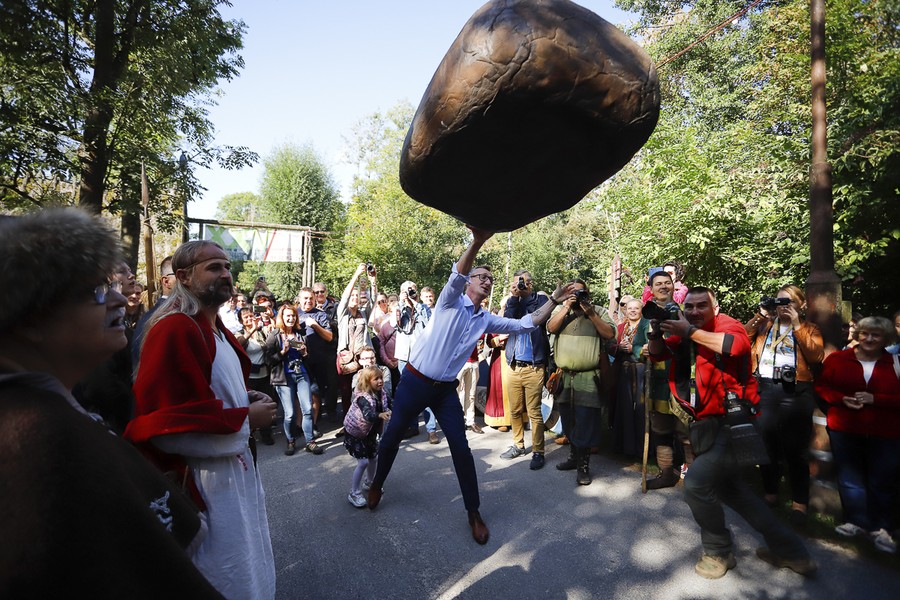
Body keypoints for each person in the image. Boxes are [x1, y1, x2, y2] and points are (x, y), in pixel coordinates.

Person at [0, 208, 224, 598]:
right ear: (30, 314)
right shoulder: (32, 442)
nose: (120, 298)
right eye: (94, 291)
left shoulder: (49, 416)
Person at [366, 226, 575, 545]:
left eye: (490, 278)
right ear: (468, 282)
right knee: (392, 435)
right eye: (481, 275)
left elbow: (527, 323)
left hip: (444, 389)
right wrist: (477, 241)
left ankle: (473, 512)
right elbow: (458, 272)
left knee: (462, 450)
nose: (486, 280)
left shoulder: (485, 319)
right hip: (415, 382)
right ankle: (378, 483)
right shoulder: (450, 300)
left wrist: (556, 301)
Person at [125, 240, 278, 600]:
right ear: (183, 276)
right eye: (214, 268)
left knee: (247, 566)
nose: (225, 274)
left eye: (226, 266)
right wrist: (245, 419)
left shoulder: (213, 329)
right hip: (205, 483)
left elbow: (209, 395)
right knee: (222, 578)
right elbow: (165, 427)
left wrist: (244, 399)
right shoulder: (174, 329)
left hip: (233, 475)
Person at [648, 286, 815, 579]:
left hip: (734, 421)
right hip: (706, 422)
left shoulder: (727, 324)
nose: (695, 311)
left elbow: (735, 347)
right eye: (690, 306)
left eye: (702, 306)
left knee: (697, 484)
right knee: (734, 491)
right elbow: (657, 355)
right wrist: (655, 333)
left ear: (715, 306)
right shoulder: (689, 328)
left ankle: (718, 551)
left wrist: (688, 331)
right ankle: (792, 553)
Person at [815, 316, 900, 554]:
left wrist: (877, 399)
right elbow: (822, 387)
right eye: (865, 333)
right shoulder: (838, 360)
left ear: (885, 338)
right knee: (850, 478)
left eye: (876, 335)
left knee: (882, 480)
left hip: (886, 432)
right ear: (857, 334)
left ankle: (883, 528)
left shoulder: (895, 362)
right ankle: (856, 521)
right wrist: (840, 399)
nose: (869, 339)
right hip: (845, 427)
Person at [745, 284, 824, 525]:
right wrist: (760, 314)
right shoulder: (766, 326)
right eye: (779, 302)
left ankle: (800, 503)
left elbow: (815, 356)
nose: (783, 307)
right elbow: (742, 336)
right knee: (766, 442)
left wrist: (797, 324)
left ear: (801, 304)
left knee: (795, 447)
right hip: (766, 388)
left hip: (796, 391)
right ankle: (770, 494)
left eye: (788, 302)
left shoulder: (809, 328)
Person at [546, 280, 616, 484]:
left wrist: (591, 313)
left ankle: (583, 466)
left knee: (586, 422)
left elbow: (610, 334)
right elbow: (551, 327)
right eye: (572, 292)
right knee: (568, 419)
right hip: (564, 376)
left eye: (580, 292)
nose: (576, 295)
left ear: (588, 293)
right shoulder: (561, 309)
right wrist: (566, 306)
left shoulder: (599, 311)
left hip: (588, 377)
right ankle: (573, 458)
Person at [644, 269, 692, 489]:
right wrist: (641, 350)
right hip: (656, 382)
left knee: (686, 431)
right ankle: (666, 473)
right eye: (658, 284)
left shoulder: (686, 313)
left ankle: (692, 475)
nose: (663, 286)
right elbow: (636, 345)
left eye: (667, 283)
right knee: (661, 430)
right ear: (651, 289)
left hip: (681, 380)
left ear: (674, 286)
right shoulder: (647, 315)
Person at [500, 269, 553, 470]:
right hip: (514, 366)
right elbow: (508, 321)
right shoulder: (513, 302)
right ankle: (518, 445)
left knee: (534, 412)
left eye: (524, 282)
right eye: (517, 283)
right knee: (514, 410)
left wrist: (528, 296)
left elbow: (538, 318)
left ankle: (538, 451)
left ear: (531, 283)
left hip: (534, 367)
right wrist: (514, 298)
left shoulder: (540, 300)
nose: (521, 285)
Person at [266, 303, 322, 456]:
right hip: (283, 378)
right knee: (290, 413)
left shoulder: (300, 333)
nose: (290, 318)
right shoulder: (274, 335)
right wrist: (283, 351)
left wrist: (304, 352)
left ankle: (310, 441)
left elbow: (308, 357)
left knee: (308, 409)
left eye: (293, 316)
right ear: (282, 318)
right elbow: (268, 360)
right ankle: (291, 440)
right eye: (287, 316)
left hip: (301, 374)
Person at [394, 279, 438, 442]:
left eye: (413, 290)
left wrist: (415, 304)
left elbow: (429, 326)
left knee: (426, 393)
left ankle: (431, 429)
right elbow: (394, 323)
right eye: (407, 290)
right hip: (404, 357)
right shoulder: (399, 307)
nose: (411, 293)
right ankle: (412, 426)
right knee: (408, 393)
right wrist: (401, 302)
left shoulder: (425, 308)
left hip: (422, 356)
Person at [344, 366, 393, 508]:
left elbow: (391, 403)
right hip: (356, 433)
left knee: (374, 458)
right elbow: (368, 415)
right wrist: (380, 415)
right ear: (367, 381)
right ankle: (354, 492)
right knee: (363, 462)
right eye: (376, 379)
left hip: (369, 432)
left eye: (381, 378)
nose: (380, 381)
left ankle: (369, 482)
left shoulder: (382, 393)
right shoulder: (362, 398)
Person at [336, 264, 376, 418]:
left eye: (356, 296)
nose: (354, 298)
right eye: (352, 296)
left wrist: (373, 280)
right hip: (347, 359)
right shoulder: (342, 314)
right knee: (347, 392)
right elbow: (345, 296)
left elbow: (373, 299)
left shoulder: (363, 313)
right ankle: (349, 420)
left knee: (367, 387)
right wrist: (356, 275)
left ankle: (367, 417)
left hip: (363, 357)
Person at [612, 298, 649, 458]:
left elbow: (651, 347)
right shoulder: (620, 327)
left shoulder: (646, 326)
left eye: (636, 308)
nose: (632, 311)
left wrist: (634, 348)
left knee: (641, 408)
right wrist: (617, 347)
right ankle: (625, 447)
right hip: (624, 371)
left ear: (641, 310)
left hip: (641, 370)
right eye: (629, 308)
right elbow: (610, 345)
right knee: (624, 407)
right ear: (625, 311)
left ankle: (642, 449)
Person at [295, 286, 335, 434]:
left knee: (315, 392)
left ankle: (312, 424)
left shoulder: (320, 314)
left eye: (311, 298)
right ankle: (299, 425)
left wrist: (315, 325)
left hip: (318, 361)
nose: (308, 301)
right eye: (305, 298)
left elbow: (329, 337)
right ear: (299, 300)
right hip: (298, 360)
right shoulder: (294, 314)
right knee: (300, 394)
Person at [237, 306, 276, 446]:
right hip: (250, 377)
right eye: (246, 317)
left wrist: (270, 317)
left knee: (265, 402)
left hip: (264, 374)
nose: (250, 319)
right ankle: (250, 435)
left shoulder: (261, 333)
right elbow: (239, 345)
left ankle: (267, 434)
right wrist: (252, 329)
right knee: (251, 405)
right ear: (241, 321)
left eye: (251, 316)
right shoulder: (239, 333)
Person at [457, 336, 486, 435]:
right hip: (458, 360)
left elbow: (482, 338)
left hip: (473, 360)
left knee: (471, 394)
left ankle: (470, 421)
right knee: (455, 393)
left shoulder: (479, 321)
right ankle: (456, 421)